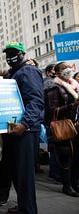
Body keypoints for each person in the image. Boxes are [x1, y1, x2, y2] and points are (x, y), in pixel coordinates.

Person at [2, 42, 44, 214]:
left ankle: (28, 210)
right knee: (17, 172)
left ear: (22, 54)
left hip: (25, 131)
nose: (10, 56)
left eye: (14, 53)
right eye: (8, 53)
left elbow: (36, 101)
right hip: (14, 129)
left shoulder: (28, 71)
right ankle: (23, 205)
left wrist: (25, 124)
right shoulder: (13, 73)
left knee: (25, 175)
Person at [45, 62, 79, 197]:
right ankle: (67, 185)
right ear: (57, 72)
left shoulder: (74, 86)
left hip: (75, 125)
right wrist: (72, 105)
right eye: (64, 68)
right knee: (66, 158)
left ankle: (75, 183)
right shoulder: (54, 88)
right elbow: (52, 111)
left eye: (68, 67)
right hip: (63, 127)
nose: (68, 70)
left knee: (76, 157)